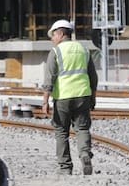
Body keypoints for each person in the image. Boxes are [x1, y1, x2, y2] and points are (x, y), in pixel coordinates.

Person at [39, 19, 98, 175]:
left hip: (63, 97)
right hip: (83, 95)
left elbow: (49, 79)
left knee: (61, 132)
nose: (52, 39)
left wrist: (45, 101)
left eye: (53, 35)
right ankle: (85, 154)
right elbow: (93, 77)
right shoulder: (83, 50)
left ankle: (65, 167)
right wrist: (93, 97)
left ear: (61, 33)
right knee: (82, 128)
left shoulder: (56, 52)